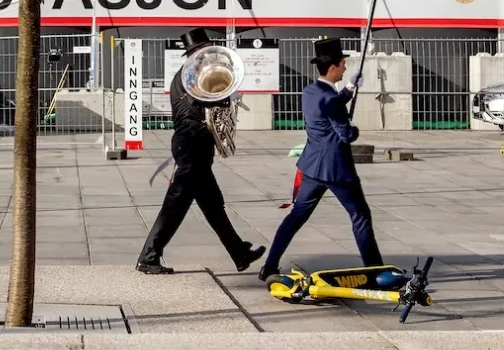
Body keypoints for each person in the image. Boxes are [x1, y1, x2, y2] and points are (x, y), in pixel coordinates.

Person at [137, 27, 265, 275]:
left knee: (213, 204)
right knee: (175, 204)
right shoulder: (189, 76)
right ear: (196, 52)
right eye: (204, 51)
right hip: (191, 143)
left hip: (195, 144)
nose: (208, 55)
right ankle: (148, 257)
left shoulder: (191, 75)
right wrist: (225, 96)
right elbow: (206, 99)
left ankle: (239, 253)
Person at [259, 37, 383, 280]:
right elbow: (346, 134)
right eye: (343, 64)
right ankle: (376, 270)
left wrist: (348, 89)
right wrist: (353, 127)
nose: (346, 67)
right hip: (336, 169)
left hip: (312, 167)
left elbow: (331, 104)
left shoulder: (311, 91)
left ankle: (270, 265)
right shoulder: (330, 100)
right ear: (334, 67)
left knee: (295, 217)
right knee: (360, 216)